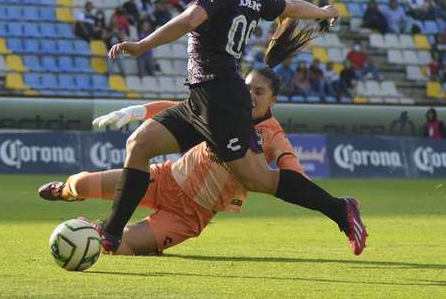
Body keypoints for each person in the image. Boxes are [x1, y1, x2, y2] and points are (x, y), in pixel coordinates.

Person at [102, 0, 345, 255]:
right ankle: (112, 232)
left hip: (220, 97)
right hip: (203, 98)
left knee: (259, 179)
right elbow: (290, 7)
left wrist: (143, 45)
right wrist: (323, 12)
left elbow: (190, 20)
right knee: (140, 143)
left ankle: (340, 209)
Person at [39, 68, 367, 255]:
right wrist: (136, 111)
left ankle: (96, 231)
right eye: (248, 88)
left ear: (273, 100)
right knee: (81, 183)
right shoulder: (223, 111)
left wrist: (305, 189)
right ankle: (68, 190)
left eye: (260, 92)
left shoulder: (272, 134)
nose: (251, 96)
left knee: (116, 247)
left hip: (190, 215)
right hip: (163, 179)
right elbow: (183, 109)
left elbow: (289, 169)